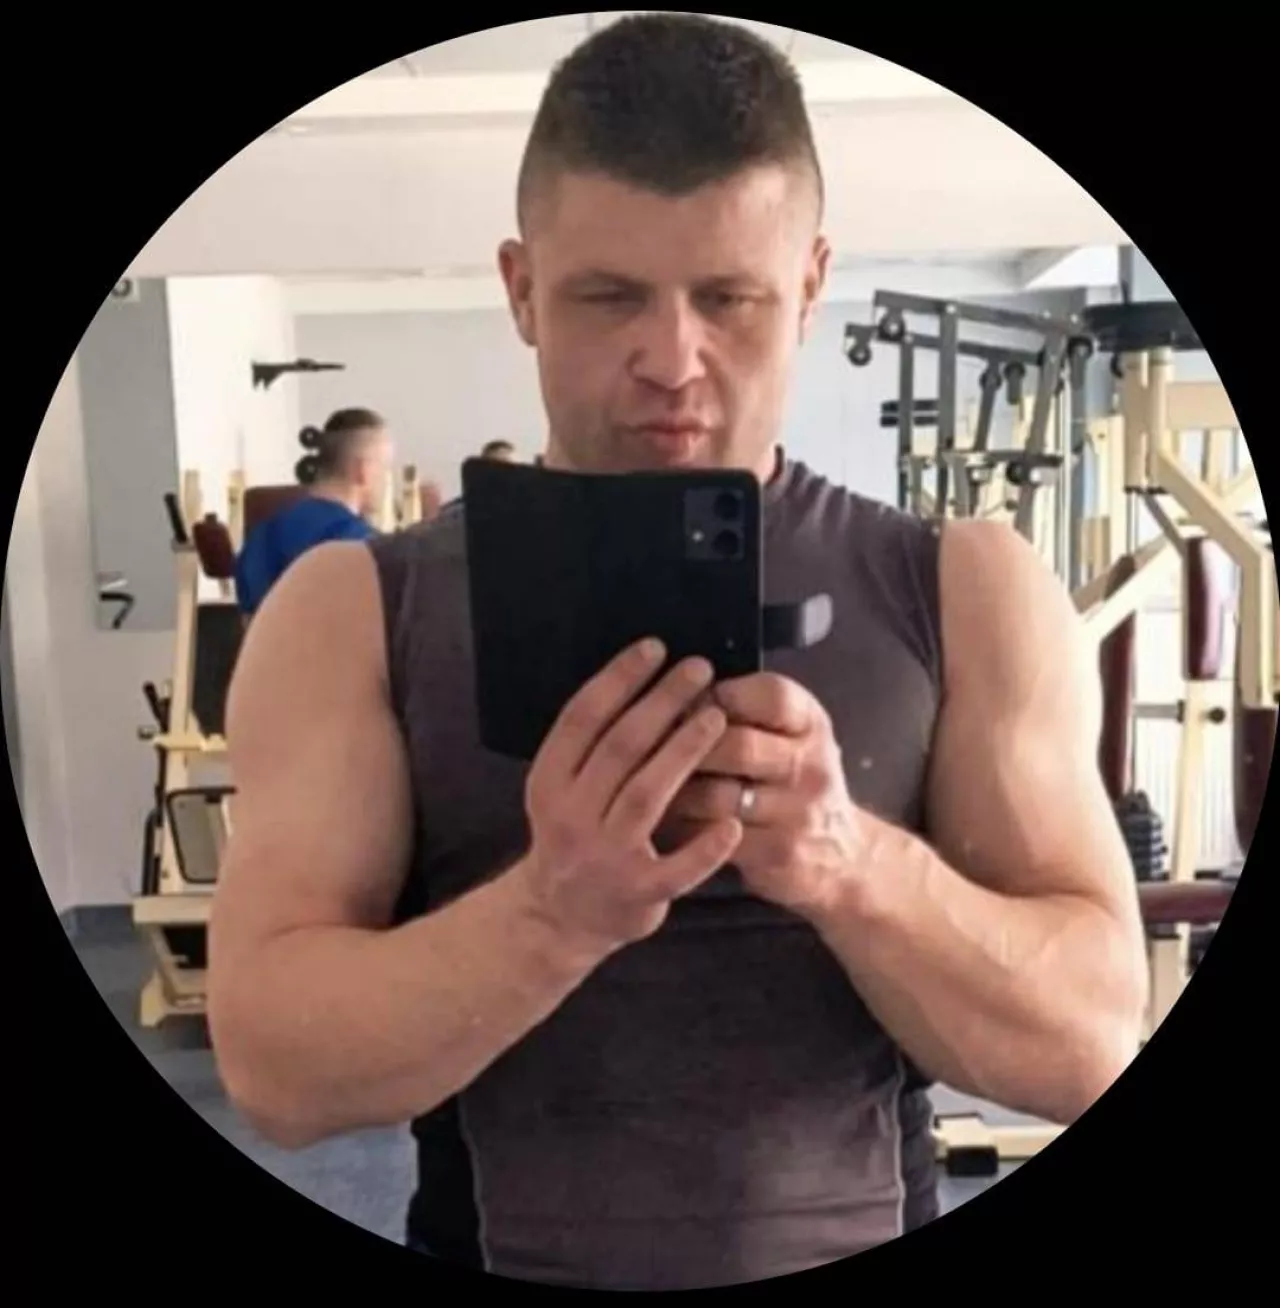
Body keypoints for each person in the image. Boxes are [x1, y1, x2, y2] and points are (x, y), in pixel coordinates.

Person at [209, 14, 1149, 1291]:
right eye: (608, 297)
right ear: (520, 289)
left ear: (808, 285)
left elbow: (1092, 1043)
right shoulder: (352, 610)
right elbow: (273, 1072)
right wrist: (552, 911)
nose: (669, 360)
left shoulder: (964, 590)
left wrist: (848, 865)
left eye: (727, 297)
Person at [233, 409, 393, 618]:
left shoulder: (260, 536)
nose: (386, 479)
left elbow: (250, 627)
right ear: (363, 470)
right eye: (385, 467)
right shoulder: (366, 548)